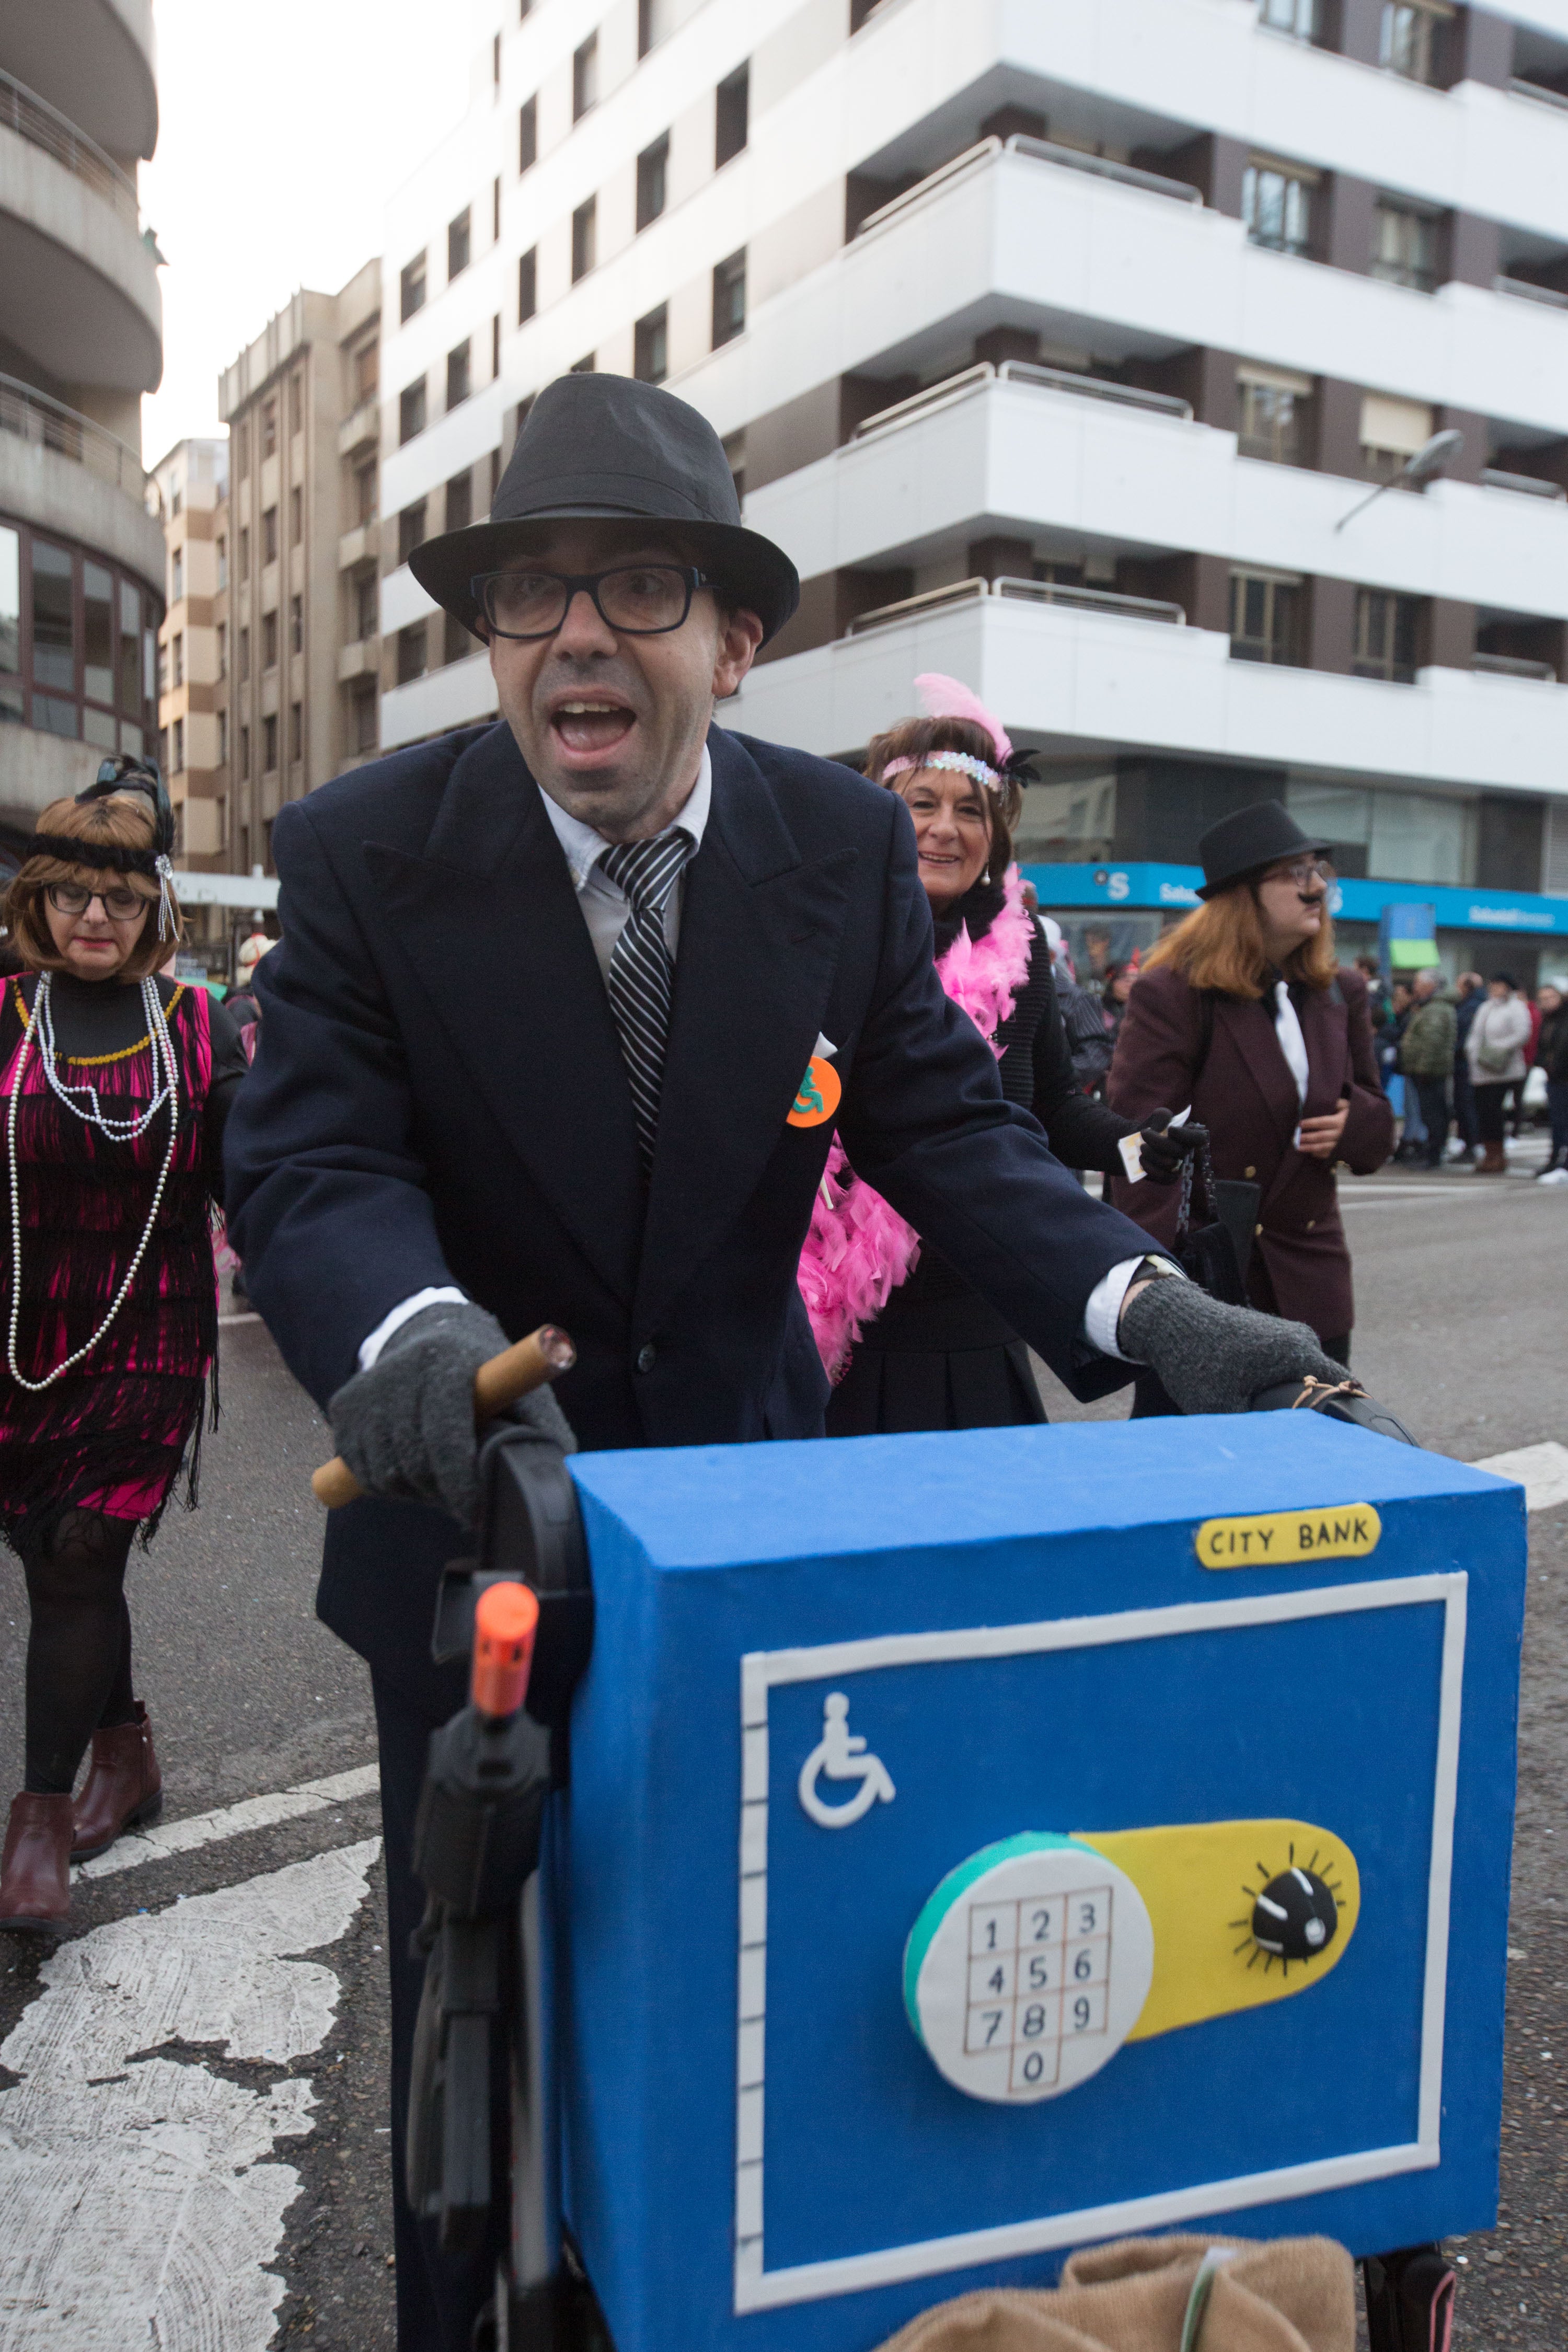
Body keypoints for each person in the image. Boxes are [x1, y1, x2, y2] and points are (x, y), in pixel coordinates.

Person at [221, 373, 1353, 2352]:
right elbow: (312, 1158)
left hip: (748, 1543)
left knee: (746, 2006)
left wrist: (1140, 1306)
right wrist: (408, 1332)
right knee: (473, 2047)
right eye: (527, 595)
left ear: (732, 645)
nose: (573, 633)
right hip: (474, 1527)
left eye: (637, 587)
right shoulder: (359, 851)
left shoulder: (833, 848)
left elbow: (948, 1132)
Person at [798, 681, 1196, 1433]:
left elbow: (1051, 1110)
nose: (945, 829)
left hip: (976, 1324)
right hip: (842, 1328)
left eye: (970, 809)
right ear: (877, 819)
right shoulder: (822, 946)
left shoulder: (1021, 959)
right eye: (922, 804)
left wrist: (1142, 1148)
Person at [0, 765, 249, 1931]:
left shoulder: (198, 1027)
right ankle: (127, 1752)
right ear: (39, 903)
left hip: (147, 1321)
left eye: (122, 899)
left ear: (154, 912)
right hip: (15, 1329)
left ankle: (38, 1823)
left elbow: (264, 1182)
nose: (96, 918)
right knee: (54, 1560)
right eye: (73, 897)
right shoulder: (4, 1014)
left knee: (84, 1551)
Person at [1105, 802, 1393, 1411]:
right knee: (1194, 1472)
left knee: (1304, 1469)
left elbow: (1375, 1118)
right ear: (1242, 897)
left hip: (1311, 1278)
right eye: (1294, 873)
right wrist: (1154, 1288)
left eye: (1319, 870)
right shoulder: (1174, 994)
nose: (1316, 887)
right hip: (1210, 1286)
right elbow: (1139, 1143)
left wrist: (1353, 1125)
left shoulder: (1341, 991)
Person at [1465, 973, 1533, 1175]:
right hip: (1481, 1068)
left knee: (1494, 1112)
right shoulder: (1486, 1007)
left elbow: (1522, 1034)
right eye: (1493, 985)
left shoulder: (1516, 1007)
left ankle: (1497, 1155)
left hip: (1503, 1069)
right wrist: (1473, 1053)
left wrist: (1497, 1050)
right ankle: (1489, 1152)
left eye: (1499, 985)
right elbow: (1476, 1034)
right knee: (1483, 1113)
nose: (1494, 988)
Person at [1397, 970, 1457, 1171]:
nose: (1415, 988)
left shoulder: (1436, 1010)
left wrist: (1423, 1069)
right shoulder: (1432, 1007)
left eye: (1418, 984)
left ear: (1430, 986)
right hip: (1428, 1071)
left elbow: (1433, 1042)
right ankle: (1432, 1153)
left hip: (1430, 1073)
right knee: (1431, 1114)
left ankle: (1433, 1155)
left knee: (1433, 1115)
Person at [1535, 981, 1568, 1180]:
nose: (1546, 1002)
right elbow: (1543, 1047)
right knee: (1557, 1123)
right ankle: (1555, 1159)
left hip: (1564, 1076)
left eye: (1550, 998)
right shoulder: (1548, 1020)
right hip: (1554, 1078)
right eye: (1543, 999)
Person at [1451, 972, 1484, 1163]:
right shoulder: (1468, 1005)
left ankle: (1471, 1145)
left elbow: (1465, 1035)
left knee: (1467, 1106)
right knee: (1464, 1106)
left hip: (1467, 1064)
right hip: (1464, 1063)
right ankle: (1468, 1143)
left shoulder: (1472, 1007)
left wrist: (1455, 1050)